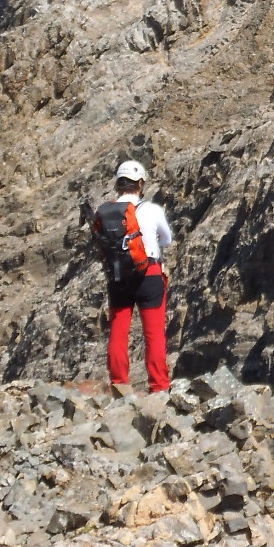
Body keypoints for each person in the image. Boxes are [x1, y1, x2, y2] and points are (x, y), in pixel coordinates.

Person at [95, 160, 173, 393]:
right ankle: (159, 386)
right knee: (154, 334)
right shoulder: (152, 210)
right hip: (149, 273)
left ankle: (119, 385)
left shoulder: (104, 212)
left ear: (118, 184)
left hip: (118, 276)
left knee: (118, 331)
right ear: (140, 184)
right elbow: (167, 239)